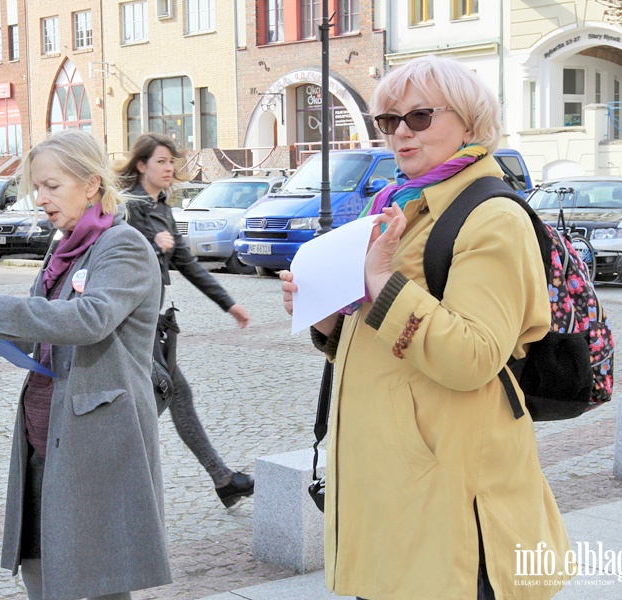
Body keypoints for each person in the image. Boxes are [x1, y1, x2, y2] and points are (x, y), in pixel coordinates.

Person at [280, 55, 571, 600]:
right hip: (394, 491)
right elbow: (382, 338)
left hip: (451, 496)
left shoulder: (492, 217)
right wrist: (327, 318)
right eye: (388, 121)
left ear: (470, 121)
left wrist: (382, 280)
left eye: (418, 117)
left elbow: (473, 356)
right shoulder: (400, 206)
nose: (400, 134)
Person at [0, 129, 171, 600]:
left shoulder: (123, 245)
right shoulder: (64, 248)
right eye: (37, 187)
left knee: (96, 582)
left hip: (96, 441)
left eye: (52, 186)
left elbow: (90, 318)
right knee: (43, 570)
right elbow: (35, 333)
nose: (41, 198)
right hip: (46, 435)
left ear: (92, 184)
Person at [118, 132, 255, 508]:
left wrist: (229, 304)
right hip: (127, 322)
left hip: (153, 323)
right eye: (161, 161)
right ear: (142, 165)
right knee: (156, 400)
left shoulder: (163, 210)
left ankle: (224, 479)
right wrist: (150, 245)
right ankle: (219, 480)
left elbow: (187, 263)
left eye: (171, 162)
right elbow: (113, 255)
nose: (168, 168)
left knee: (169, 396)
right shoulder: (125, 209)